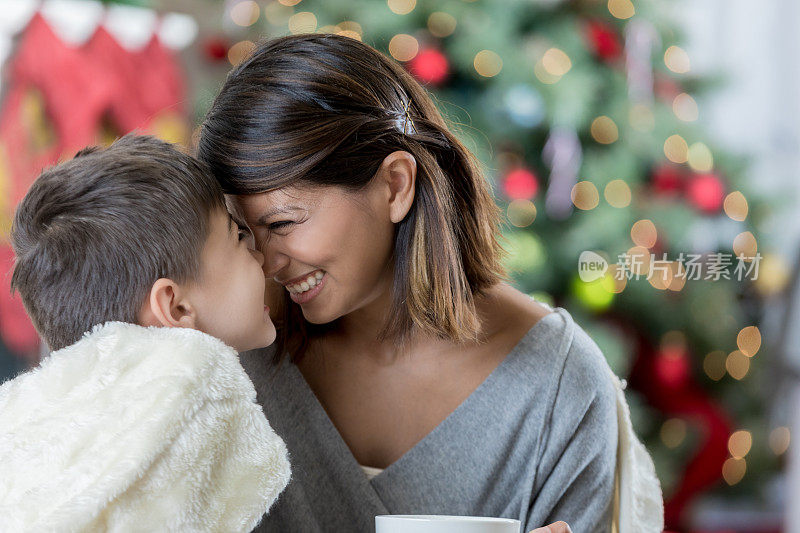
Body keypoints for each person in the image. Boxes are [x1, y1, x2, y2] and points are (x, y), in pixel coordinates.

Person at [198, 34, 662, 532]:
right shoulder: (226, 356)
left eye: (284, 223)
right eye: (243, 231)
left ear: (395, 185)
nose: (265, 262)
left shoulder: (558, 389)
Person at [0, 135, 291, 531]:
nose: (261, 257)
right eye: (238, 238)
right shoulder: (194, 408)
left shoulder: (41, 425)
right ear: (175, 307)